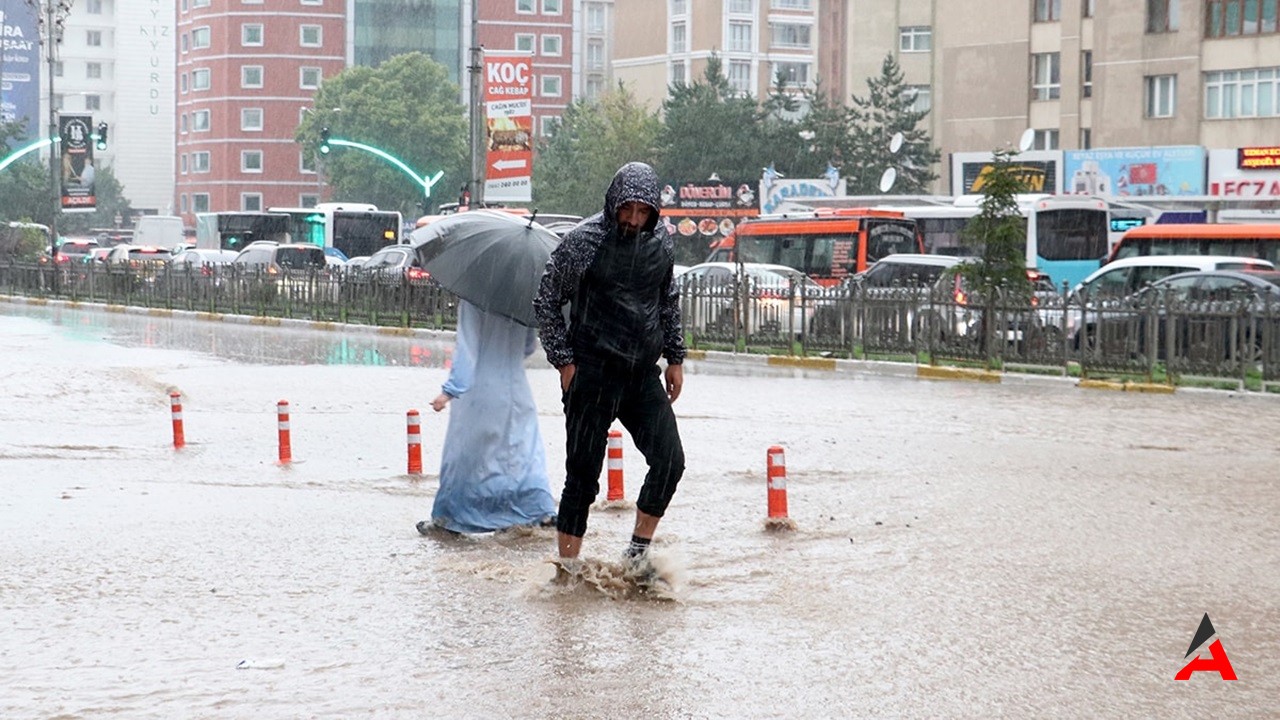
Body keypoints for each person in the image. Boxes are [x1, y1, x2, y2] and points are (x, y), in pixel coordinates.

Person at [533, 161, 687, 575]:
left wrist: (675, 358)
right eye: (627, 209)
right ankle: (567, 569)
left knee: (670, 461)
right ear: (613, 203)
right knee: (582, 477)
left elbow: (667, 301)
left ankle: (637, 553)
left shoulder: (661, 243)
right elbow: (546, 301)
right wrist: (564, 363)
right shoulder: (584, 242)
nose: (634, 220)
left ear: (655, 211)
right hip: (592, 373)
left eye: (643, 212)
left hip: (641, 375)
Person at [416, 299, 557, 535]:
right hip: (517, 390)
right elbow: (528, 347)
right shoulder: (523, 297)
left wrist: (449, 390)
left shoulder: (474, 299)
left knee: (467, 457)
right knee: (523, 454)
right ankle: (536, 514)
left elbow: (467, 349)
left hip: (480, 392)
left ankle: (449, 521)